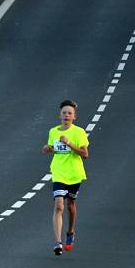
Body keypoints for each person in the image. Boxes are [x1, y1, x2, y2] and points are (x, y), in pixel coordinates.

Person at [41, 99, 89, 256]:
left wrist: (69, 144)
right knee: (59, 205)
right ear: (59, 115)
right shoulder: (53, 131)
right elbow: (54, 149)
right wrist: (48, 148)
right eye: (64, 113)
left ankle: (70, 231)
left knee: (70, 205)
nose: (66, 115)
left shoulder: (79, 132)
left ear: (74, 117)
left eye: (69, 113)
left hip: (74, 174)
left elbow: (85, 154)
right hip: (58, 172)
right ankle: (57, 242)